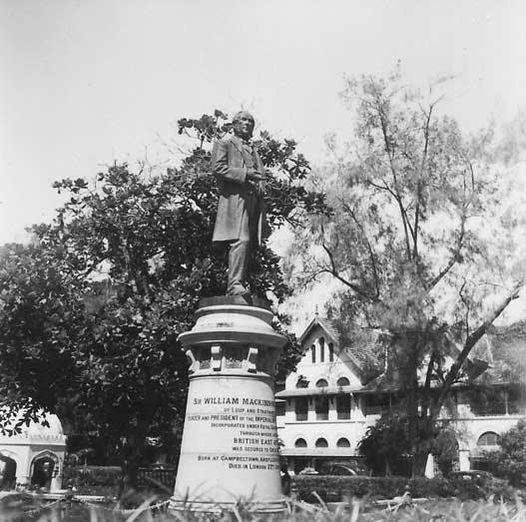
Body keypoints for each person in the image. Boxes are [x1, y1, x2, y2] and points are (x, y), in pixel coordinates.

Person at [211, 111, 267, 296]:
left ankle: (240, 282)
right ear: (234, 124)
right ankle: (234, 285)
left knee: (250, 243)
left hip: (253, 200)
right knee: (241, 239)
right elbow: (217, 168)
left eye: (251, 121)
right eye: (243, 120)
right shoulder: (225, 142)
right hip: (235, 199)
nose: (248, 123)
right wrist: (244, 174)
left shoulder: (253, 149)